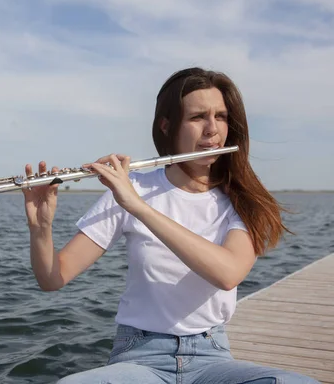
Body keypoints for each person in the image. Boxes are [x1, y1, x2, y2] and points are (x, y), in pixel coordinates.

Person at [22, 67, 320, 384]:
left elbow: (227, 273)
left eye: (220, 116)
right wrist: (41, 228)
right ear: (167, 125)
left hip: (211, 357)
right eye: (197, 117)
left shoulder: (242, 200)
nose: (212, 129)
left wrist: (138, 205)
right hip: (139, 357)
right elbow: (53, 277)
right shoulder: (130, 188)